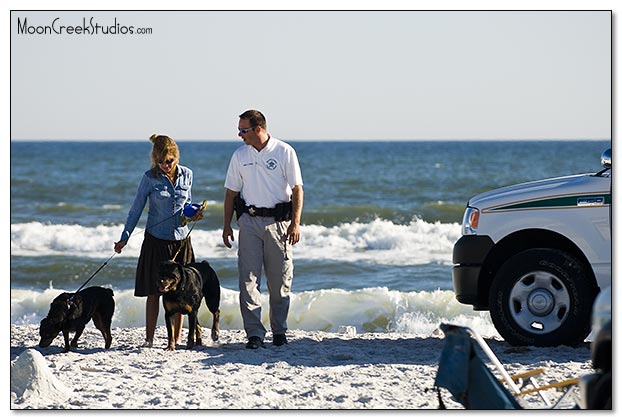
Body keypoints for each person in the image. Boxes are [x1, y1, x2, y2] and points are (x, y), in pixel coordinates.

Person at [223, 110, 304, 349]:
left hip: (278, 223)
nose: (240, 134)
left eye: (243, 130)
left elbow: (297, 189)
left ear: (258, 128)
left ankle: (279, 330)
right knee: (248, 280)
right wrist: (227, 225)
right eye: (239, 130)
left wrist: (295, 223)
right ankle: (254, 334)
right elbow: (231, 193)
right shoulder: (240, 155)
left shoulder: (284, 151)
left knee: (279, 282)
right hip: (249, 221)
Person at [114, 134, 201, 348]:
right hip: (156, 241)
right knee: (153, 293)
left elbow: (186, 206)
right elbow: (136, 210)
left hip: (181, 242)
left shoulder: (187, 175)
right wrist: (124, 237)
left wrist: (194, 214)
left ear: (176, 157)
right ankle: (149, 339)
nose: (165, 165)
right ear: (155, 160)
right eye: (160, 162)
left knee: (182, 292)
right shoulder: (149, 178)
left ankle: (177, 338)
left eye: (169, 161)